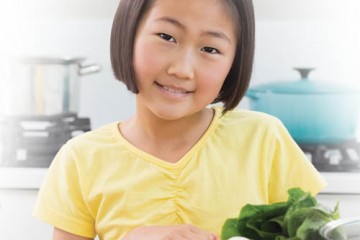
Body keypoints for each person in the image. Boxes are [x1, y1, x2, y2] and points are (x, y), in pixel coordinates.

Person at [33, 0, 326, 239]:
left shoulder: (263, 138)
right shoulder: (81, 158)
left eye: (210, 49)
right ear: (128, 33)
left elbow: (314, 231)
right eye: (166, 37)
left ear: (234, 62)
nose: (182, 70)